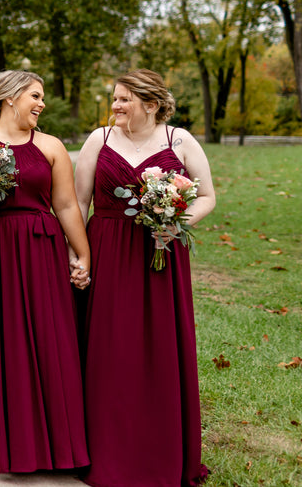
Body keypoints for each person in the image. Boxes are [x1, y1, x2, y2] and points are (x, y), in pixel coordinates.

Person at [74, 69, 215, 487]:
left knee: (157, 350)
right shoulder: (98, 140)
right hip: (108, 252)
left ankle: (159, 451)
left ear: (150, 105)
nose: (115, 106)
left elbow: (207, 195)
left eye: (123, 99)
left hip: (161, 254)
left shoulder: (180, 141)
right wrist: (77, 256)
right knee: (111, 351)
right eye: (114, 99)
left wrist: (177, 221)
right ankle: (104, 453)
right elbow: (79, 203)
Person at [0, 70, 90, 473]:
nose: (40, 104)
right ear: (10, 97)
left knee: (49, 341)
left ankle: (58, 449)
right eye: (35, 96)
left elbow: (67, 206)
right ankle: (2, 446)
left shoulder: (51, 146)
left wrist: (83, 255)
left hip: (41, 249)